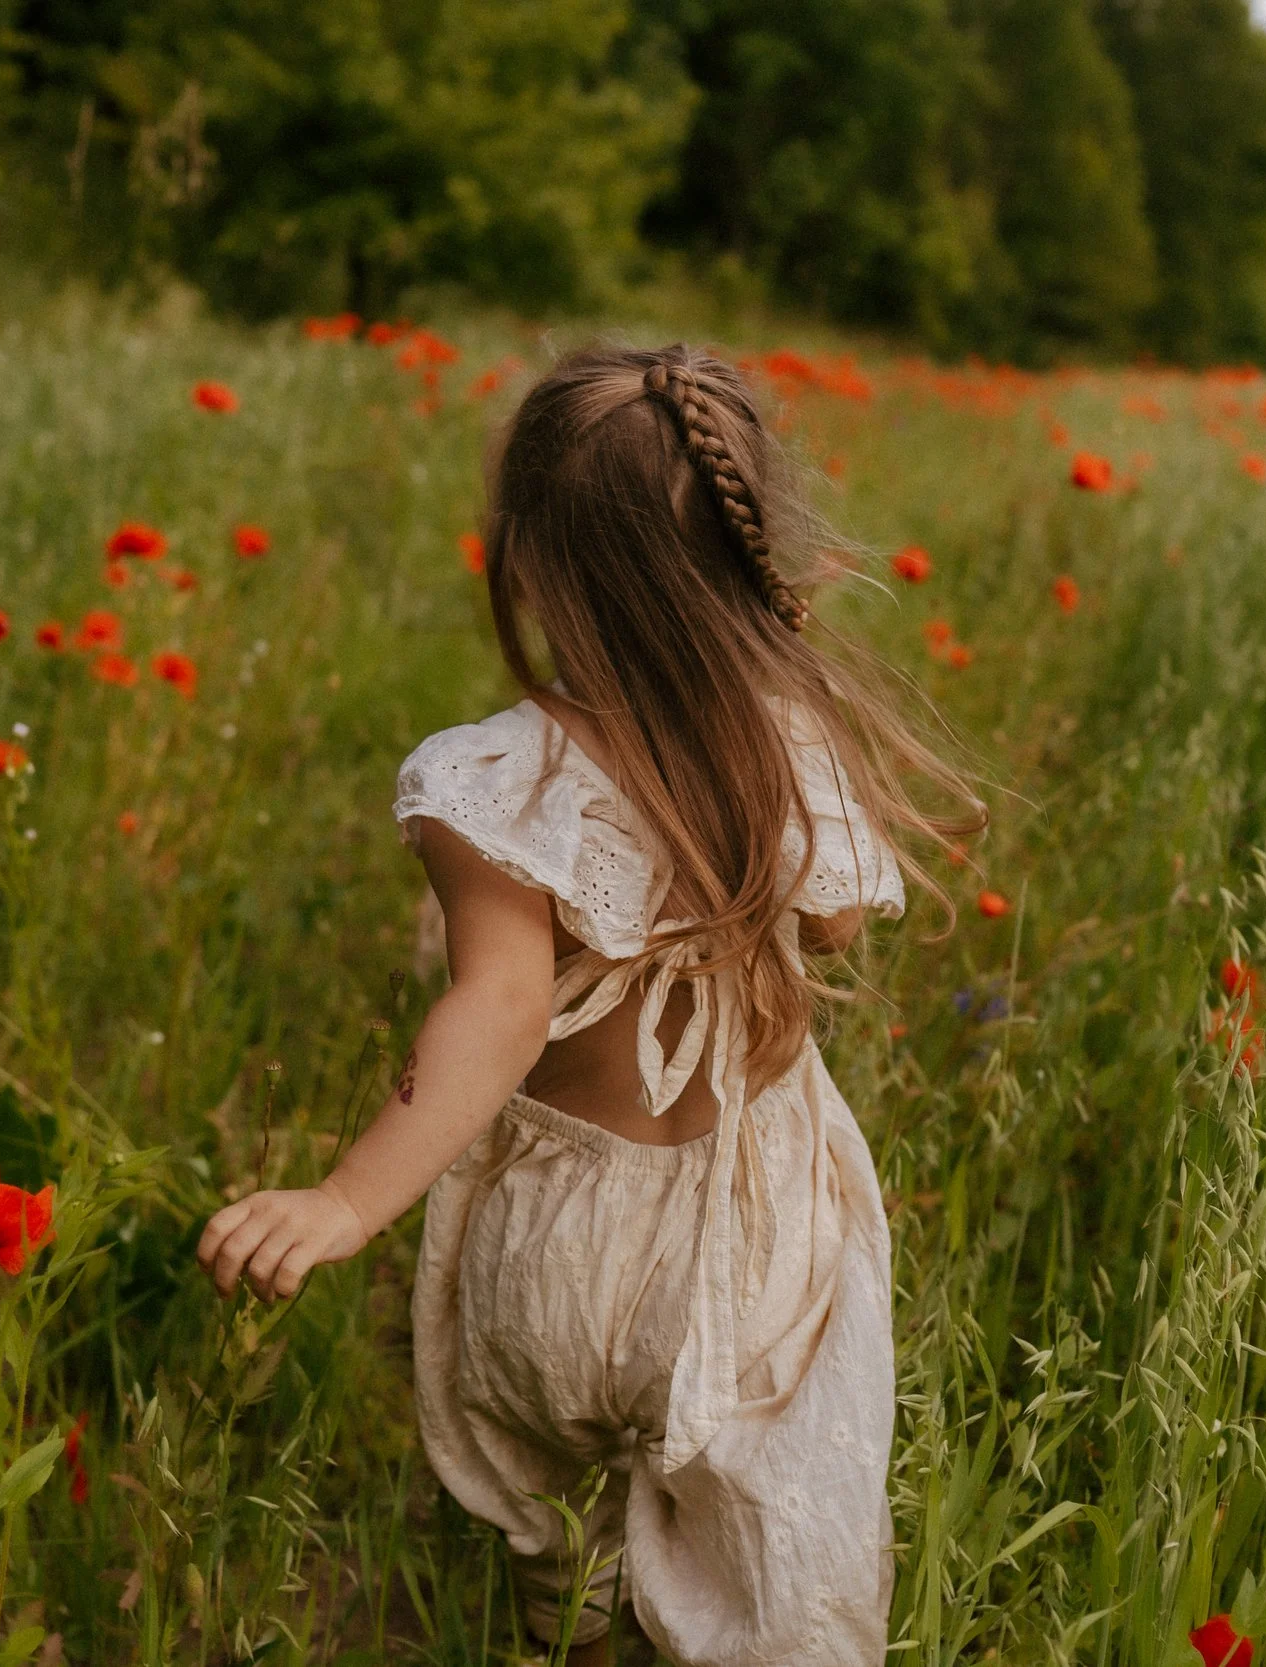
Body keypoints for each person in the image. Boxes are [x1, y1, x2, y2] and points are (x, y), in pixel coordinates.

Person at [197, 344, 983, 1666]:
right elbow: (840, 920)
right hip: (749, 1229)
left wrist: (342, 1200)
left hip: (555, 1240)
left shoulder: (494, 782)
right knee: (773, 1535)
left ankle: (568, 1631)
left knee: (555, 1524)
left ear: (524, 560)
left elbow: (500, 1009)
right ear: (747, 549)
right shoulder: (792, 740)